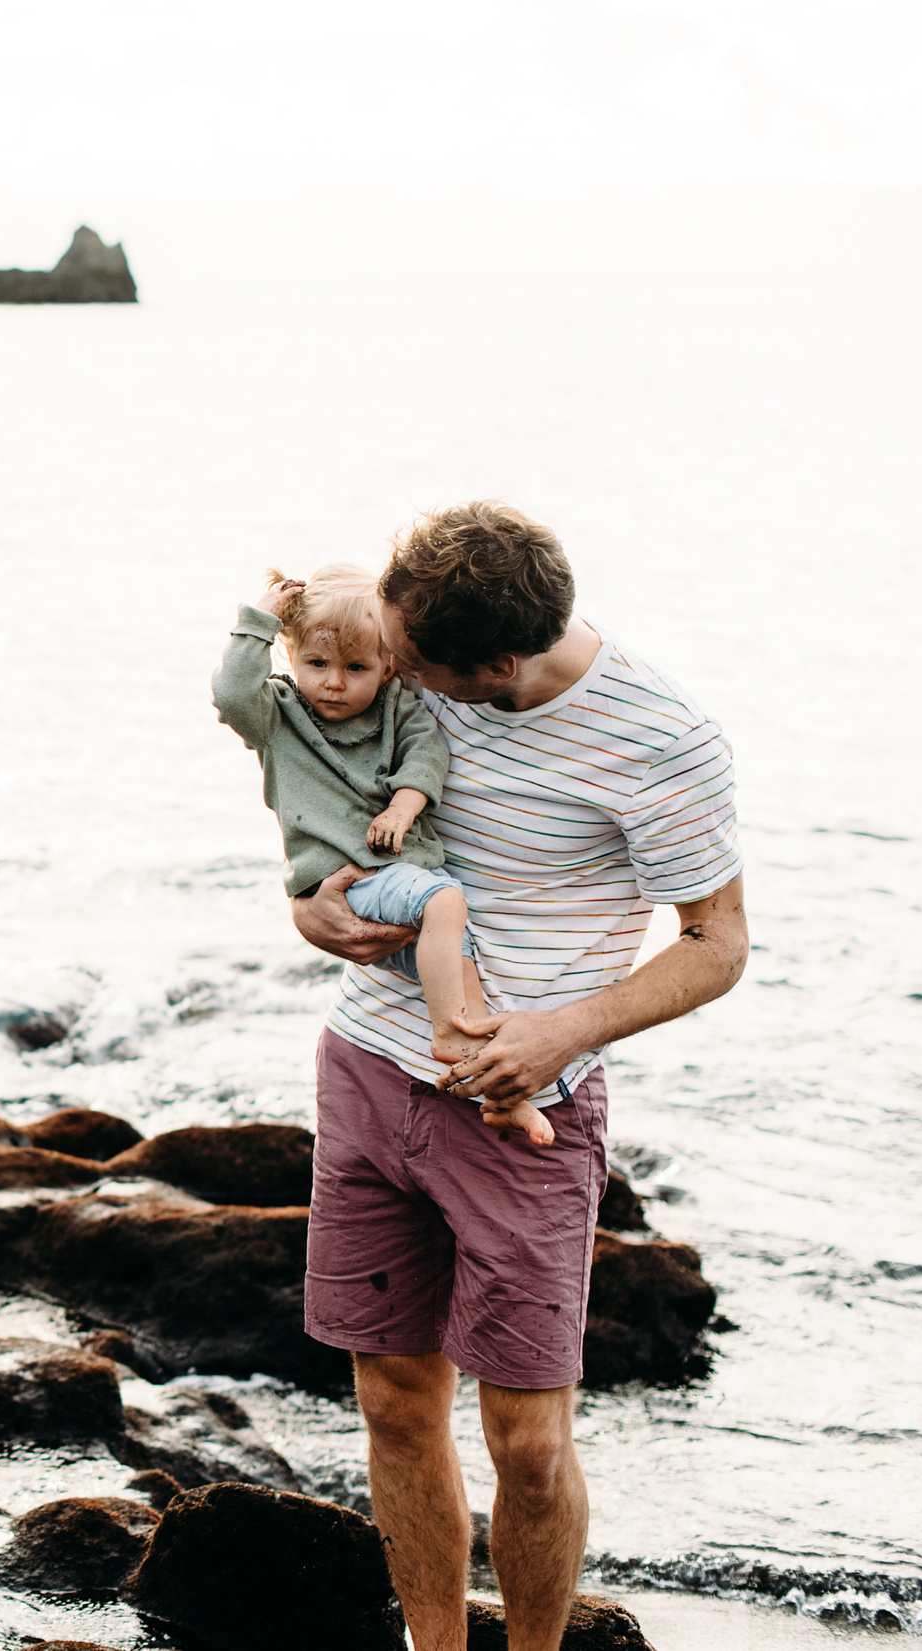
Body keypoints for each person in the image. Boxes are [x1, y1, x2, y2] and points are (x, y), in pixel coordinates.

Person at [289, 502, 747, 1651]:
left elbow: (717, 944)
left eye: (415, 664)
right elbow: (323, 802)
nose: (389, 675)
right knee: (395, 1408)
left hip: (522, 1113)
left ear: (495, 665)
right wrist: (313, 907)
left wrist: (561, 1033)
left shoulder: (663, 739)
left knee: (530, 1451)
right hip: (366, 1069)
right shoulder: (404, 662)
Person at [210, 562, 554, 1147]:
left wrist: (402, 809)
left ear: (388, 665)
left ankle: (501, 1090)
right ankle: (448, 1033)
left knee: (465, 974)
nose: (334, 683)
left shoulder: (397, 708)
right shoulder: (277, 714)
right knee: (445, 900)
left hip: (397, 872)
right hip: (347, 876)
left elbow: (426, 757)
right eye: (316, 664)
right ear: (290, 655)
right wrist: (259, 620)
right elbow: (230, 692)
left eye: (355, 667)